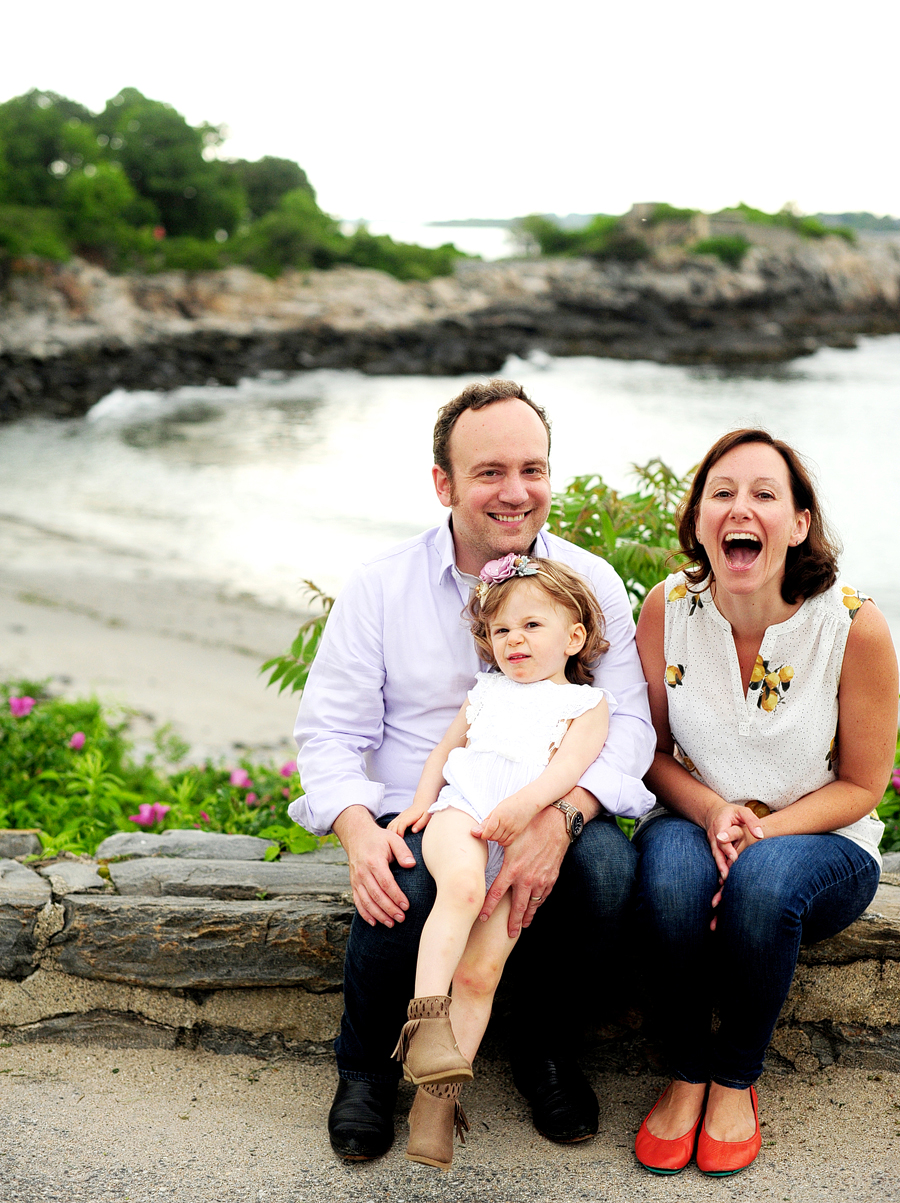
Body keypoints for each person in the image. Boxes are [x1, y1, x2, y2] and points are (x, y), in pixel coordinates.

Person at [290, 379, 656, 1161]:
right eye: (490, 471)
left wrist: (560, 817)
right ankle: (365, 1068)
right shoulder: (379, 584)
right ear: (444, 484)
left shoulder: (590, 585)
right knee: (405, 879)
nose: (516, 491)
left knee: (605, 870)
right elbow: (328, 731)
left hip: (551, 796)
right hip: (421, 806)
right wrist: (359, 830)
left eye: (534, 467)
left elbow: (625, 725)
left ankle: (545, 1050)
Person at [632, 428, 897, 1177]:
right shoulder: (667, 608)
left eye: (763, 493)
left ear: (799, 522)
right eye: (721, 492)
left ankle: (734, 1079)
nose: (738, 507)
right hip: (692, 815)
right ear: (698, 519)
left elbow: (862, 784)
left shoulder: (853, 624)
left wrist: (762, 833)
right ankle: (685, 1070)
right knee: (671, 882)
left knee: (764, 882)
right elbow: (647, 753)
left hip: (824, 839)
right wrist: (716, 813)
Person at [388, 555, 614, 1169]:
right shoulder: (485, 692)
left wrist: (526, 807)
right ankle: (427, 1025)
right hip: (461, 816)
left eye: (532, 626)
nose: (514, 640)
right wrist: (419, 805)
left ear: (572, 638)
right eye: (501, 630)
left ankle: (436, 1103)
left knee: (482, 973)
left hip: (520, 839)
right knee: (460, 889)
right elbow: (444, 751)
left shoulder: (588, 704)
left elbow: (568, 770)